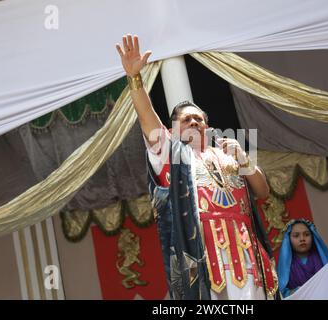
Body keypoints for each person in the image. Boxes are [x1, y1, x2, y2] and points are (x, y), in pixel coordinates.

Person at [115, 34, 278, 300]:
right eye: (186, 120)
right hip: (202, 253)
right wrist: (135, 79)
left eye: (198, 119)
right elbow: (147, 117)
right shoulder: (172, 154)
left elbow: (263, 192)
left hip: (247, 252)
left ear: (208, 127)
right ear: (172, 130)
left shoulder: (228, 153)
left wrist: (243, 159)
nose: (193, 123)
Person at [277, 219, 328, 298]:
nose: (302, 239)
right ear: (288, 239)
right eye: (296, 236)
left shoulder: (323, 259)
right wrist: (296, 292)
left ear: (312, 236)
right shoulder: (285, 266)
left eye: (306, 234)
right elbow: (281, 293)